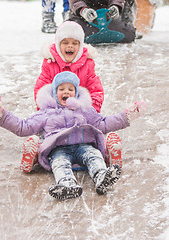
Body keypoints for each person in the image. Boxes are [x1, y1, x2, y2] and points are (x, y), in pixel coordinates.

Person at [0, 71, 147, 200]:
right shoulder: (46, 112)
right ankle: (67, 184)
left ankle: (101, 176)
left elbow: (104, 123)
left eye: (70, 89)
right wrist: (2, 115)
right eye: (61, 89)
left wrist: (127, 116)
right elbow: (23, 127)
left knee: (94, 155)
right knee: (60, 164)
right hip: (58, 149)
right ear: (55, 93)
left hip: (84, 145)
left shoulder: (85, 110)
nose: (66, 92)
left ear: (76, 93)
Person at [22, 21, 122, 174]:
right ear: (58, 44)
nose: (70, 46)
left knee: (94, 132)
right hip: (56, 115)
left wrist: (88, 111)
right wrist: (48, 111)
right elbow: (41, 89)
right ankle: (35, 152)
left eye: (75, 43)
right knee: (46, 135)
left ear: (81, 45)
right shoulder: (50, 64)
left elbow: (96, 90)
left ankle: (108, 152)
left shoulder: (87, 64)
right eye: (66, 42)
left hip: (80, 113)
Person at [68, 0, 136, 43]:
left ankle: (127, 23)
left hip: (108, 14)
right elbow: (75, 1)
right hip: (83, 16)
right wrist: (82, 10)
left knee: (129, 35)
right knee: (69, 35)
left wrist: (116, 6)